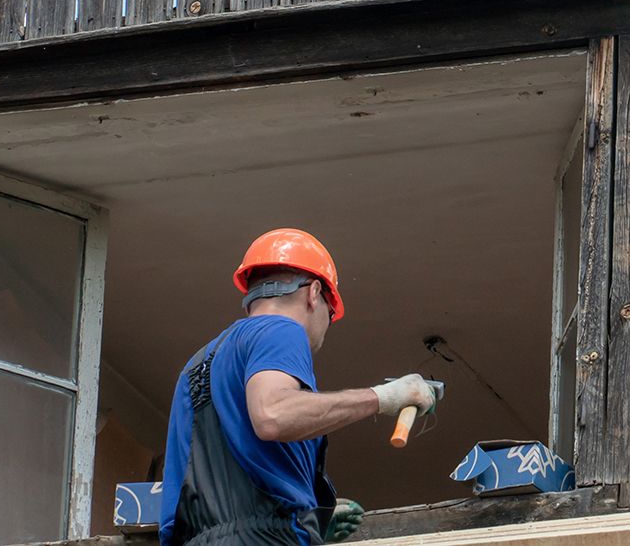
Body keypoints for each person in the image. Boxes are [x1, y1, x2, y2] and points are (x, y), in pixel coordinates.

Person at [159, 227, 438, 545]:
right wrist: (383, 396)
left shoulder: (197, 366)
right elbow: (274, 415)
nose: (325, 327)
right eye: (330, 314)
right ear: (314, 293)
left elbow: (219, 491)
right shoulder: (280, 329)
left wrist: (308, 524)